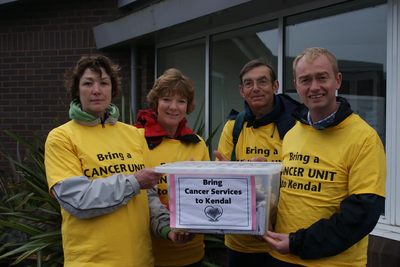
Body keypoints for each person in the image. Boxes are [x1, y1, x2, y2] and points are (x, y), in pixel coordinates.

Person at [45, 55, 176, 267]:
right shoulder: (62, 137)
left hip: (141, 260)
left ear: (112, 89)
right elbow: (76, 199)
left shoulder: (133, 134)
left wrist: (166, 227)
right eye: (88, 83)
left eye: (104, 83)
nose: (97, 90)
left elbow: (147, 195)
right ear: (77, 90)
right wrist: (133, 182)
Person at [264, 47, 386, 267]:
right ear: (296, 85)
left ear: (337, 80)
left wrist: (297, 242)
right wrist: (255, 175)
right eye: (305, 80)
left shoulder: (364, 138)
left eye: (322, 77)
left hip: (334, 262)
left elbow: (362, 215)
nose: (314, 87)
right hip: (281, 257)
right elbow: (287, 195)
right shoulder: (292, 134)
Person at [214, 58, 300, 267]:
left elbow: (300, 179)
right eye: (249, 83)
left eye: (262, 82)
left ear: (275, 86)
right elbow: (222, 182)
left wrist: (266, 170)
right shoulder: (233, 127)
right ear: (242, 91)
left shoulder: (296, 126)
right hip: (238, 240)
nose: (256, 89)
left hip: (280, 240)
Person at [134, 68, 210, 267]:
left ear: (188, 106)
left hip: (192, 254)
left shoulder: (198, 144)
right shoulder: (135, 140)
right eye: (167, 99)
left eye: (181, 101)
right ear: (156, 102)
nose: (173, 107)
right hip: (150, 255)